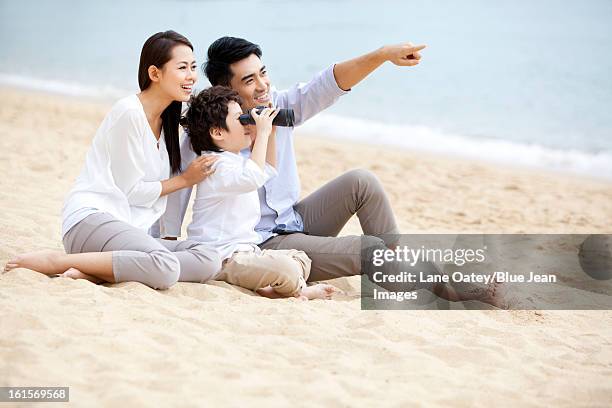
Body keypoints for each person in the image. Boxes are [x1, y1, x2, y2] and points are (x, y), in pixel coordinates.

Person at [160, 36, 509, 308]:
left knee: (362, 182)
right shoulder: (211, 134)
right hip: (262, 242)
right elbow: (179, 190)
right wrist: (165, 242)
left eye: (263, 73)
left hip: (295, 220)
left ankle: (396, 270)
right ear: (229, 90)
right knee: (370, 248)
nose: (263, 85)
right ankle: (446, 286)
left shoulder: (279, 108)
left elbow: (328, 84)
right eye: (249, 80)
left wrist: (383, 55)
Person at [4, 31, 221, 289]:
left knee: (209, 258)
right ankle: (56, 262)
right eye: (182, 67)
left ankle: (95, 271)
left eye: (194, 67)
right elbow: (131, 192)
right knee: (165, 267)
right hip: (92, 220)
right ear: (155, 73)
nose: (192, 76)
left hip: (130, 231)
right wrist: (185, 180)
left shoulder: (169, 121)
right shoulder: (129, 113)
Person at [178, 85, 336, 300]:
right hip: (222, 257)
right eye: (239, 119)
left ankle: (277, 287)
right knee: (286, 269)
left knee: (301, 257)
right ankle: (297, 290)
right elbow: (253, 177)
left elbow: (267, 170)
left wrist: (270, 133)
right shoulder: (214, 166)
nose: (246, 122)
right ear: (217, 132)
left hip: (247, 252)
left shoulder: (235, 159)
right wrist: (260, 132)